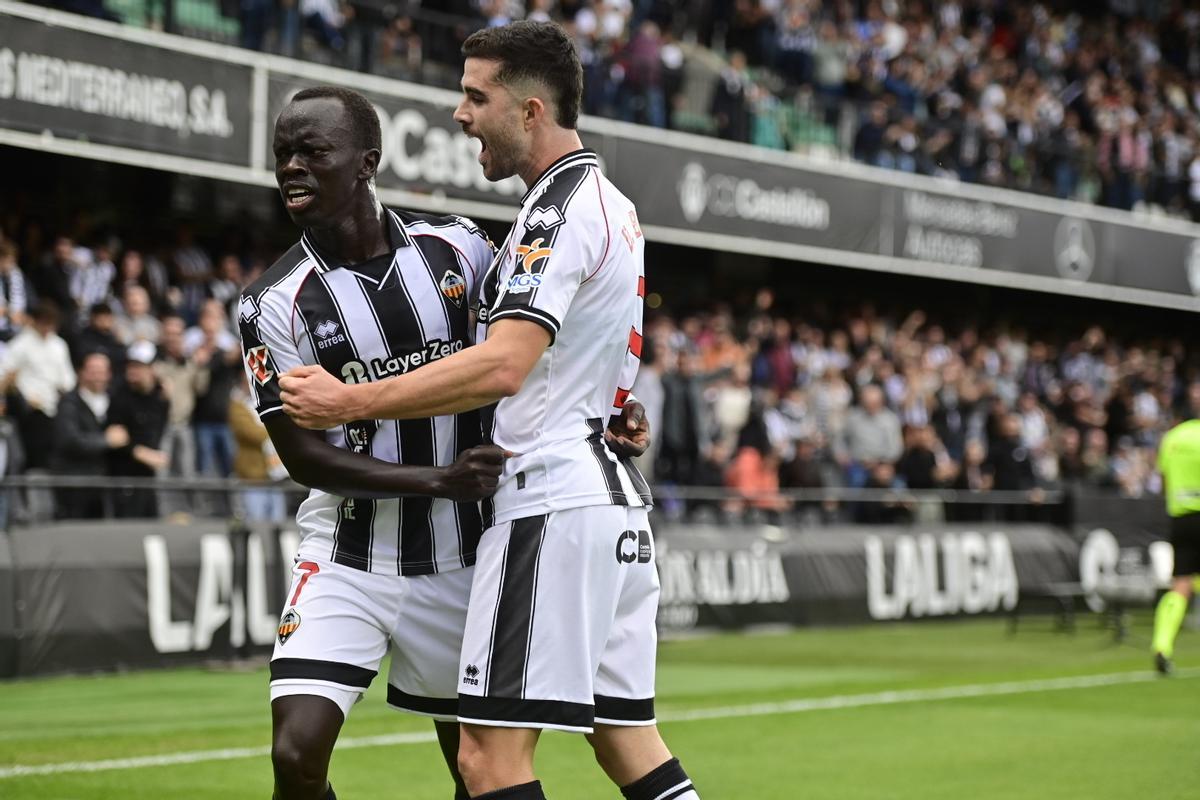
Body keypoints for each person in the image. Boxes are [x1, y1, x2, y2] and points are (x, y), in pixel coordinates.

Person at [279, 23, 697, 800]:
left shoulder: (555, 212)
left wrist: (351, 399)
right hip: (603, 491)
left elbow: (504, 366)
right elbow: (578, 353)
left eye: (477, 96)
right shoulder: (606, 202)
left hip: (551, 500)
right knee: (628, 744)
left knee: (488, 761)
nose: (460, 114)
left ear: (530, 110)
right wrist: (613, 407)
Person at [50, 352, 128, 519]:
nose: (98, 377)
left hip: (101, 484)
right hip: (73, 483)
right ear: (82, 372)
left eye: (102, 371)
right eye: (93, 371)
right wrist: (106, 441)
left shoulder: (114, 401)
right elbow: (70, 441)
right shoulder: (68, 403)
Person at [0, 303, 76, 470]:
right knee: (33, 456)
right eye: (44, 323)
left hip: (56, 408)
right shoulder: (20, 345)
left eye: (52, 323)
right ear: (34, 321)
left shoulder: (59, 345)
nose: (48, 327)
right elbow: (6, 377)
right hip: (29, 410)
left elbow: (68, 380)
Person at [1151, 413, 1200, 675]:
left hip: (1180, 518)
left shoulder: (1171, 439)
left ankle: (1162, 645)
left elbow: (1163, 481)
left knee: (1181, 584)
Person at [107, 341, 170, 518]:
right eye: (131, 366)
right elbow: (115, 439)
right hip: (124, 476)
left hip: (148, 475)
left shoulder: (160, 397)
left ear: (152, 369)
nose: (133, 371)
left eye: (140, 366)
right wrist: (140, 452)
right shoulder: (119, 397)